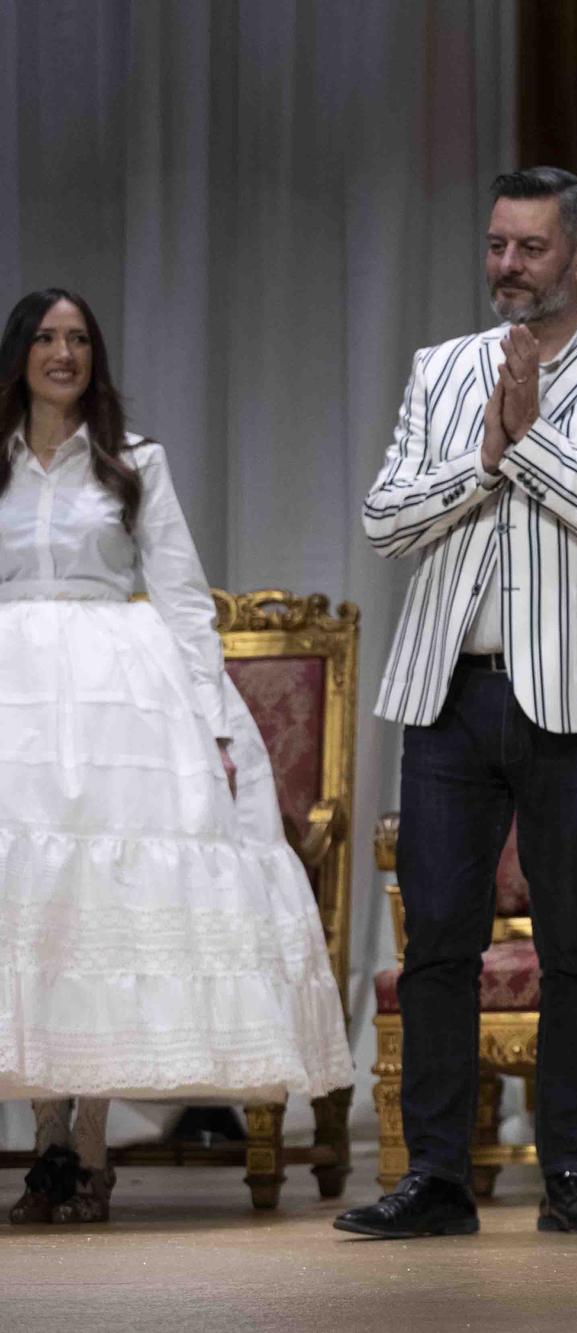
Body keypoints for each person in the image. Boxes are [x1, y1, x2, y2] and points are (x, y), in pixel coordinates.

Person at [337, 167, 577, 1240]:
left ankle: (572, 1170)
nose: (506, 266)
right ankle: (437, 1175)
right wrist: (484, 457)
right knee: (438, 939)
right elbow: (386, 518)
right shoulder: (441, 371)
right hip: (450, 694)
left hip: (573, 705)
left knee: (574, 941)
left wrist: (528, 444)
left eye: (529, 248)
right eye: (495, 245)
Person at [0, 288, 354, 1224]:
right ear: (20, 354)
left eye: (78, 338)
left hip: (120, 703)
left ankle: (89, 1145)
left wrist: (217, 720)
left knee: (106, 904)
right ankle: (45, 1143)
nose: (63, 353)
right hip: (15, 704)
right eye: (46, 337)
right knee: (31, 907)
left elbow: (185, 598)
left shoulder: (132, 463)